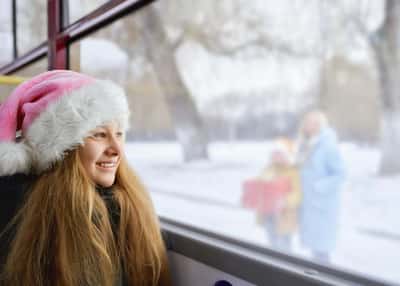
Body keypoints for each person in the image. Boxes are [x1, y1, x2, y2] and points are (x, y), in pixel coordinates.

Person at [0, 70, 171, 286]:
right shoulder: (20, 208)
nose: (117, 149)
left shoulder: (129, 206)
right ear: (61, 149)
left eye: (119, 134)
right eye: (99, 134)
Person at [296, 110, 345, 264]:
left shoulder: (328, 145)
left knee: (322, 250)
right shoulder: (307, 144)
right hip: (309, 204)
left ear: (318, 124)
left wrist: (319, 187)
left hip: (321, 205)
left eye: (309, 122)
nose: (305, 125)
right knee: (314, 249)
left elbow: (341, 173)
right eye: (305, 122)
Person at [258, 140, 302, 252]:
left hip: (285, 216)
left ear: (285, 155)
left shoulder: (292, 172)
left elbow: (298, 194)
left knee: (285, 247)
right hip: (269, 214)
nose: (276, 156)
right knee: (272, 244)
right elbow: (260, 189)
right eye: (274, 153)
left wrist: (285, 201)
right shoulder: (267, 170)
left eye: (279, 154)